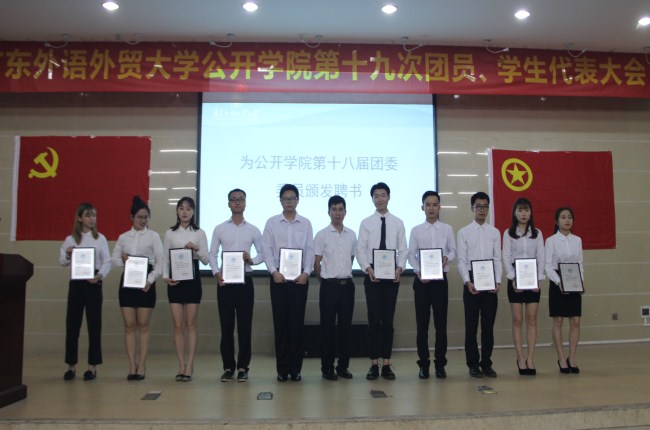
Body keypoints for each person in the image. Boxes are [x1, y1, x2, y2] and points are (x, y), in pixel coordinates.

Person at [208, 189, 264, 383]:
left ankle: (243, 367)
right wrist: (216, 272)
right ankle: (228, 367)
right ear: (229, 204)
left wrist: (252, 260)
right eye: (234, 200)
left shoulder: (253, 230)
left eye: (240, 199)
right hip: (225, 282)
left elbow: (263, 254)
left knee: (245, 327)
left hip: (245, 281)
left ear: (245, 203)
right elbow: (212, 253)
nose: (237, 202)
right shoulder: (220, 228)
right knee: (226, 327)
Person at [263, 184, 315, 382]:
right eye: (286, 198)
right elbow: (267, 250)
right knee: (281, 325)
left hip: (300, 280)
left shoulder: (306, 223)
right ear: (281, 201)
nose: (289, 202)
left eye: (292, 198)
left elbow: (310, 250)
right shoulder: (272, 223)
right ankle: (282, 370)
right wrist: (273, 271)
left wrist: (307, 272)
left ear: (298, 200)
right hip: (279, 279)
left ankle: (296, 369)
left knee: (296, 325)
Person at [357, 182, 407, 380]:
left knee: (388, 320)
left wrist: (400, 268)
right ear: (372, 199)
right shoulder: (366, 223)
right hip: (373, 276)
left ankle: (386, 363)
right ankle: (373, 364)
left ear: (389, 197)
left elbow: (403, 249)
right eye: (376, 196)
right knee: (373, 320)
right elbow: (360, 250)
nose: (380, 199)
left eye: (383, 195)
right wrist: (367, 268)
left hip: (391, 277)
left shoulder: (398, 223)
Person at [111, 196, 163, 381]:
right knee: (129, 325)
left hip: (146, 283)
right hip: (128, 282)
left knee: (143, 325)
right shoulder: (123, 237)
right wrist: (123, 259)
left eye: (146, 217)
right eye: (140, 217)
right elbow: (113, 260)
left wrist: (150, 279)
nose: (143, 220)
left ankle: (141, 365)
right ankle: (131, 365)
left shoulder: (153, 236)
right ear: (131, 217)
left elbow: (160, 262)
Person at [59, 202, 111, 381]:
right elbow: (62, 261)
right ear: (80, 218)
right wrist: (68, 254)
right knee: (72, 325)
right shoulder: (70, 239)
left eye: (94, 215)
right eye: (88, 215)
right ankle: (71, 365)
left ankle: (92, 366)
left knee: (94, 325)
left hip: (93, 283)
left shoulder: (100, 239)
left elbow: (107, 261)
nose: (92, 219)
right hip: (76, 284)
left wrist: (99, 276)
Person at [407, 191, 456, 379]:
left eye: (435, 205)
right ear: (422, 208)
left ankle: (440, 364)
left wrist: (446, 258)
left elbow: (453, 251)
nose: (431, 208)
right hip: (422, 282)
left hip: (440, 282)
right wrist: (420, 271)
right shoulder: (416, 230)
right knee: (422, 325)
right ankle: (424, 364)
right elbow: (411, 255)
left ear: (439, 207)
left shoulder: (447, 229)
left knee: (441, 324)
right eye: (428, 205)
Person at [162, 197, 209, 382]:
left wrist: (196, 248)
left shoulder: (199, 233)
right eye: (181, 208)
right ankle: (181, 364)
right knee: (178, 325)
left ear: (193, 212)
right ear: (177, 211)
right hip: (175, 280)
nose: (184, 212)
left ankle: (190, 365)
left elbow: (206, 259)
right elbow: (165, 258)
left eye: (188, 209)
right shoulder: (170, 233)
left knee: (190, 325)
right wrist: (165, 276)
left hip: (192, 280)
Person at [457, 191, 502, 378]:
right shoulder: (464, 232)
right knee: (471, 326)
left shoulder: (494, 232)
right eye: (478, 206)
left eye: (485, 207)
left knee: (488, 327)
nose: (482, 210)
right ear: (472, 208)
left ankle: (486, 363)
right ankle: (473, 364)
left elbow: (497, 259)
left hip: (490, 282)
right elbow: (461, 260)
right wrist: (467, 281)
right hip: (472, 282)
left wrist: (498, 280)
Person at [314, 195, 357, 381]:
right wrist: (324, 280)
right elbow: (316, 263)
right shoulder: (321, 235)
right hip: (328, 287)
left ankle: (343, 367)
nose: (337, 213)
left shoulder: (352, 234)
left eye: (340, 209)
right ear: (328, 212)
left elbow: (351, 259)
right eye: (334, 209)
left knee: (345, 329)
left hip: (347, 287)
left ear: (345, 212)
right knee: (327, 329)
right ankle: (327, 368)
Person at [502, 197, 545, 376]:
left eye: (526, 210)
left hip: (532, 280)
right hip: (515, 280)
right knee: (518, 320)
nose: (523, 213)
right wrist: (513, 278)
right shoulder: (508, 233)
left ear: (531, 213)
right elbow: (506, 257)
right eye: (520, 210)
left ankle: (530, 358)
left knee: (532, 319)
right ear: (515, 213)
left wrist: (539, 279)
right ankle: (520, 357)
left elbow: (541, 256)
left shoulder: (537, 233)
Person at [545, 207, 584, 374]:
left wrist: (581, 282)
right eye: (563, 217)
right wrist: (559, 281)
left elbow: (580, 264)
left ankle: (572, 358)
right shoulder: (551, 240)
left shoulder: (577, 240)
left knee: (575, 321)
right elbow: (548, 266)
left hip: (574, 280)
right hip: (558, 281)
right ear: (557, 221)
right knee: (558, 321)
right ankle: (561, 358)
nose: (567, 220)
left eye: (569, 217)